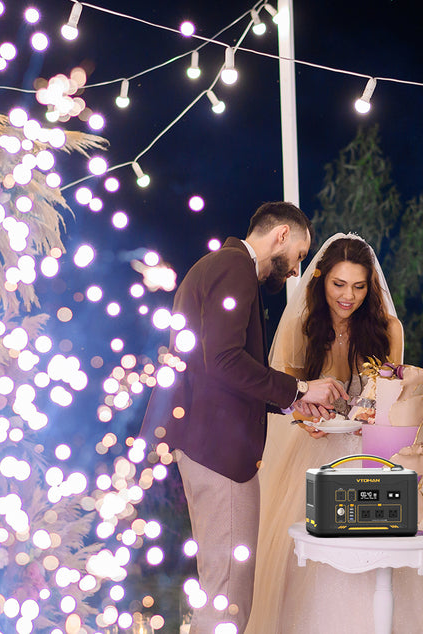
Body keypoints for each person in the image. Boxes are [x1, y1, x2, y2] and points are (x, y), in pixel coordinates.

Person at [247, 233, 423, 634]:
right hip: (315, 453)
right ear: (321, 279)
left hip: (375, 451)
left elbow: (394, 399)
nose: (348, 296)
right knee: (309, 553)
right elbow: (286, 396)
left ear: (370, 286)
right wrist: (304, 418)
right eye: (338, 285)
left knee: (392, 552)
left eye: (359, 286)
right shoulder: (303, 325)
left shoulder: (388, 328)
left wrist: (372, 411)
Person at [139, 202, 348, 634]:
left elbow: (222, 370)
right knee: (229, 598)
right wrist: (300, 389)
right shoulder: (235, 269)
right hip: (219, 452)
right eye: (300, 256)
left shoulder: (217, 265)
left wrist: (292, 403)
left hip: (206, 442)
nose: (296, 270)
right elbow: (225, 361)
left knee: (222, 590)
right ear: (282, 237)